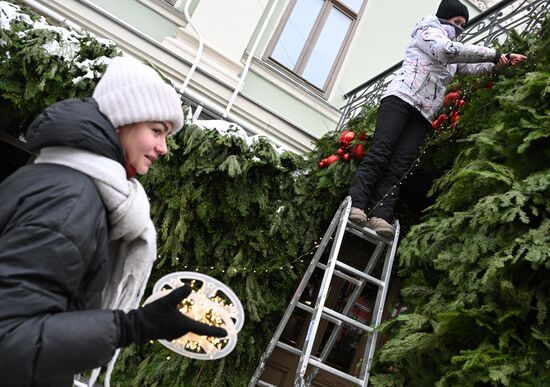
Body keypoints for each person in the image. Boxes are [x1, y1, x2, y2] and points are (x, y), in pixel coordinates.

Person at [0, 56, 227, 387]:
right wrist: (129, 327)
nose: (164, 148)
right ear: (123, 120)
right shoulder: (71, 200)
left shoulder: (56, 178)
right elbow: (9, 338)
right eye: (157, 131)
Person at [348, 0, 527, 238]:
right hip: (400, 99)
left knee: (399, 167)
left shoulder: (452, 51)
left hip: (424, 113)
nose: (460, 28)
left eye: (464, 25)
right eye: (456, 23)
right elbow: (446, 50)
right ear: (444, 18)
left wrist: (500, 61)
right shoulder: (428, 31)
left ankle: (380, 215)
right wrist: (493, 53)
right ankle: (356, 205)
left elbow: (470, 67)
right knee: (381, 152)